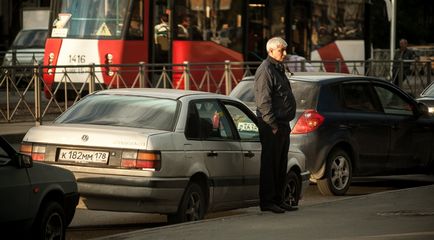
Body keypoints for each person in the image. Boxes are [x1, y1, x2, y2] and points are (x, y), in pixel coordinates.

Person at [254, 37, 297, 214]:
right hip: (271, 125)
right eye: (281, 50)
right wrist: (272, 125)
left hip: (281, 124)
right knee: (270, 164)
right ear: (271, 51)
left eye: (285, 50)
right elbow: (263, 101)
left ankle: (278, 200)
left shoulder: (277, 68)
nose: (285, 54)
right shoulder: (265, 70)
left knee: (280, 164)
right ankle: (268, 202)